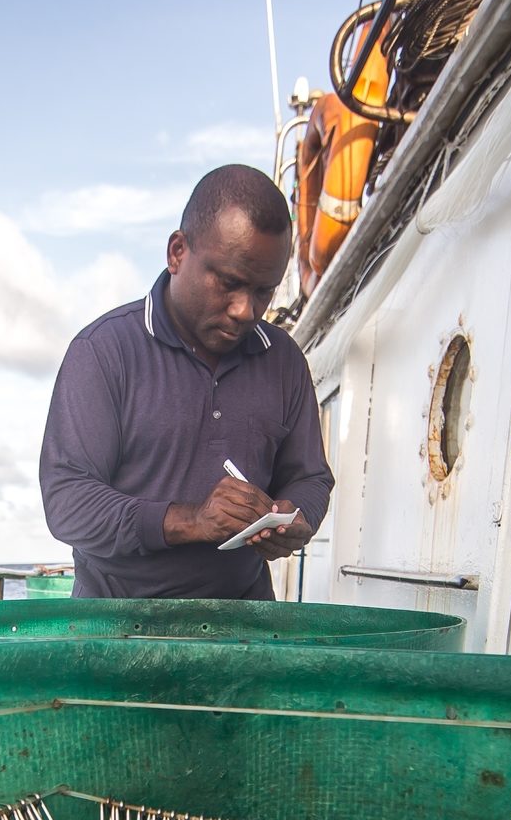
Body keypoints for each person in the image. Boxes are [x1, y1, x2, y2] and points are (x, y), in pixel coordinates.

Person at [38, 166, 333, 599]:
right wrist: (191, 521)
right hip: (114, 626)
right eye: (230, 283)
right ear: (177, 252)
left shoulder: (284, 360)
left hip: (243, 625)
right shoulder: (103, 352)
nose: (245, 311)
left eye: (264, 292)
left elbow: (311, 478)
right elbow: (67, 502)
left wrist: (294, 515)